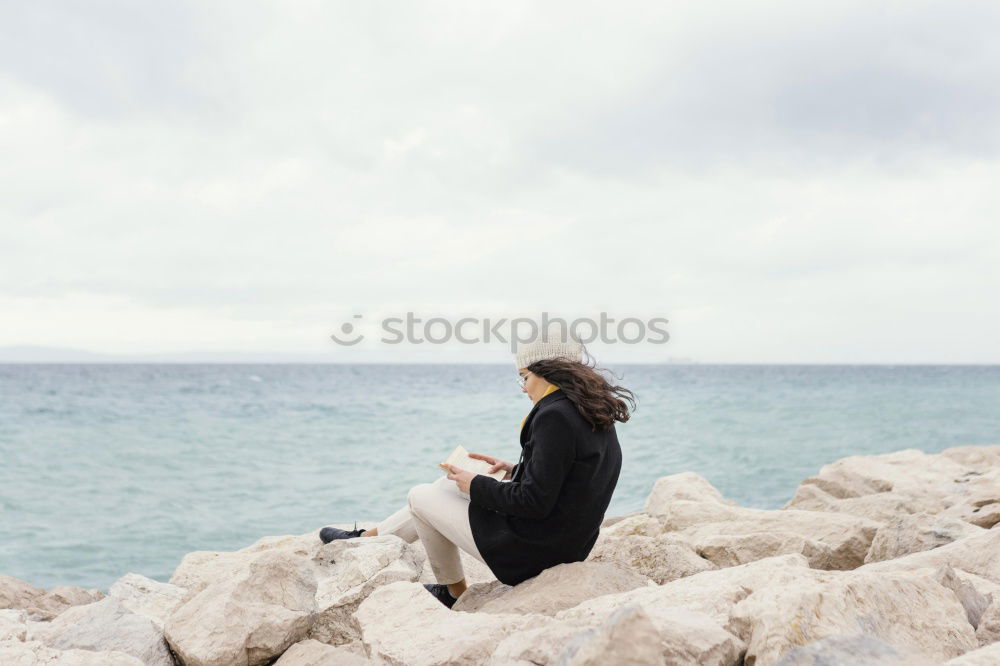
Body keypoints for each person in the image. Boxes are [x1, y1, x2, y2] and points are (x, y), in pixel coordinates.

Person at [318, 325, 635, 608]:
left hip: (534, 554)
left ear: (548, 372)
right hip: (566, 544)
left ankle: (453, 593)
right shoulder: (590, 410)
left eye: (524, 377)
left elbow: (534, 503)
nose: (523, 387)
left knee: (420, 496)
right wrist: (513, 471)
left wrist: (476, 485)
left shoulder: (555, 416)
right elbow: (576, 478)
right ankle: (369, 538)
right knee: (443, 487)